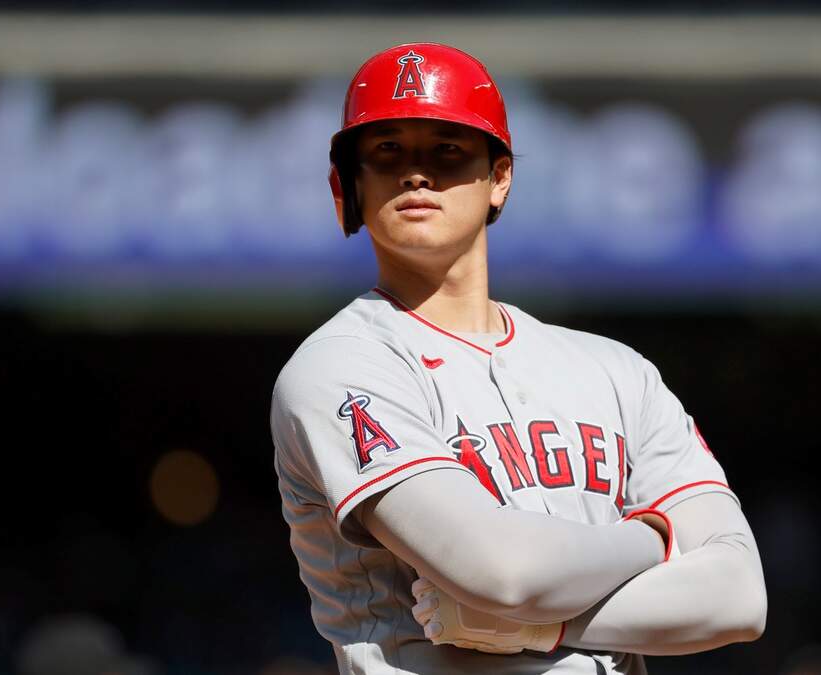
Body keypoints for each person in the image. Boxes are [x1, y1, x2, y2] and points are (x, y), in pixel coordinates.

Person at [270, 42, 767, 675]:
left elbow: (738, 599)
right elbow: (502, 573)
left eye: (448, 149)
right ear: (350, 184)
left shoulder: (618, 371)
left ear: (499, 178)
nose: (416, 173)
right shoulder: (340, 365)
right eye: (387, 150)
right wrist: (654, 538)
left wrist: (544, 626)